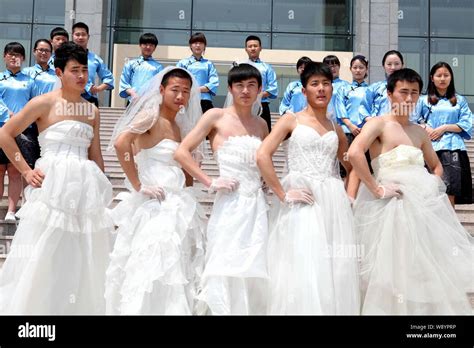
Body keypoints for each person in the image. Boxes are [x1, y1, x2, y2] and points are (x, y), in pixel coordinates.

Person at [0, 42, 114, 314]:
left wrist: (102, 189)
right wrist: (26, 170)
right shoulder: (43, 103)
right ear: (59, 72)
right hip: (52, 183)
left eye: (85, 70)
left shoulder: (92, 111)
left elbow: (95, 155)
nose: (81, 76)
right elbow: (5, 134)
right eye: (74, 70)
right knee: (43, 251)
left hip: (85, 186)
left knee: (84, 254)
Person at [348, 68, 474, 314]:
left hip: (422, 208)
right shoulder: (378, 124)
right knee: (390, 268)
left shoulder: (419, 132)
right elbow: (354, 153)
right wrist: (376, 188)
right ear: (389, 94)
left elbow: (436, 167)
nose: (408, 99)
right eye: (403, 92)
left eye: (414, 93)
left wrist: (429, 187)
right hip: (389, 207)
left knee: (423, 267)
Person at [257, 62, 360, 314]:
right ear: (304, 91)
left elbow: (353, 163)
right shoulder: (290, 120)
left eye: (326, 84)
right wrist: (282, 193)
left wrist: (349, 195)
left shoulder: (336, 129)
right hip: (302, 198)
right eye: (314, 84)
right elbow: (262, 154)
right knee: (303, 262)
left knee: (334, 265)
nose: (321, 89)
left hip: (333, 201)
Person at [105, 66, 206, 315]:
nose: (180, 97)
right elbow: (121, 143)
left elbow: (184, 167)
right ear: (161, 90)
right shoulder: (150, 117)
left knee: (178, 265)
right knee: (152, 264)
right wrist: (138, 184)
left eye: (185, 92)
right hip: (155, 204)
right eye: (175, 90)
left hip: (179, 202)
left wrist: (190, 189)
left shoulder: (181, 125)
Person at [174, 63, 269, 315]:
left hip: (256, 204)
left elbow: (263, 162)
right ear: (230, 88)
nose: (245, 91)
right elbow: (182, 152)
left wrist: (265, 182)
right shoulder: (215, 116)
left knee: (255, 262)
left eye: (251, 85)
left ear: (259, 89)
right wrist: (210, 181)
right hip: (229, 204)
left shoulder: (261, 125)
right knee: (225, 261)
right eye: (239, 85)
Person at [414, 62, 473, 207]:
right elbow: (412, 119)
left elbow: (467, 122)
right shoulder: (423, 100)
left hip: (453, 148)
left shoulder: (459, 100)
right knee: (428, 192)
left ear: (451, 78)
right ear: (432, 78)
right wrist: (426, 127)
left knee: (450, 191)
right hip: (429, 147)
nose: (442, 78)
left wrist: (444, 128)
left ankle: (450, 228)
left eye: (446, 75)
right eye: (439, 75)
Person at [0, 42, 35, 222]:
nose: (14, 57)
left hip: (21, 131)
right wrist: (8, 113)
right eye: (11, 54)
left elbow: (34, 103)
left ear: (23, 58)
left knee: (15, 171)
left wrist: (22, 118)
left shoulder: (29, 81)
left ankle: (11, 211)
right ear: (5, 56)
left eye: (19, 55)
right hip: (1, 129)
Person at [333, 55, 369, 195]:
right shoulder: (344, 88)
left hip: (364, 133)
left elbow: (371, 110)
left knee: (362, 166)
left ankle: (359, 198)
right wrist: (350, 126)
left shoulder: (371, 90)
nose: (358, 70)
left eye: (361, 67)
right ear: (350, 69)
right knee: (345, 167)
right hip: (346, 132)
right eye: (355, 67)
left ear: (366, 69)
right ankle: (344, 198)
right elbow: (340, 108)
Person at [72, 22, 114, 106]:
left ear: (88, 37)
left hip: (89, 99)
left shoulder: (95, 59)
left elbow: (109, 78)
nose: (80, 37)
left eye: (83, 34)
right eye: (77, 34)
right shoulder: (65, 57)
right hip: (70, 99)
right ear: (72, 36)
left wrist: (97, 89)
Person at [177, 32, 219, 114]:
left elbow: (214, 83)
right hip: (187, 99)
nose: (198, 45)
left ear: (204, 46)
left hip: (204, 101)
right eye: (195, 43)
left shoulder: (209, 64)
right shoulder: (183, 63)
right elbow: (178, 80)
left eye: (201, 43)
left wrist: (196, 89)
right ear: (190, 46)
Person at [359, 50, 404, 121]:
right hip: (380, 128)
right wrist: (371, 120)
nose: (393, 67)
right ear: (383, 66)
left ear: (402, 65)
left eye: (397, 64)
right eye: (389, 64)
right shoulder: (375, 87)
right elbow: (363, 107)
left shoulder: (407, 88)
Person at [119, 33, 163, 105]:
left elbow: (161, 86)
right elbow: (124, 83)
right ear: (140, 45)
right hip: (133, 101)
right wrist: (133, 93)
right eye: (145, 44)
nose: (148, 47)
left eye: (151, 45)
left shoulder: (158, 67)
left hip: (151, 103)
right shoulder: (131, 64)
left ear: (155, 48)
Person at [244, 35, 278, 131]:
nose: (253, 48)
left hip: (262, 106)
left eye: (255, 46)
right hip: (245, 105)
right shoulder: (241, 66)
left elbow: (273, 88)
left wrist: (258, 96)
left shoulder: (267, 67)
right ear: (246, 49)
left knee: (265, 134)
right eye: (250, 46)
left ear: (260, 48)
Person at [323, 54, 350, 119]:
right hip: (324, 120)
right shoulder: (321, 85)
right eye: (329, 67)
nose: (332, 69)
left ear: (339, 66)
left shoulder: (346, 85)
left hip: (342, 123)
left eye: (334, 66)